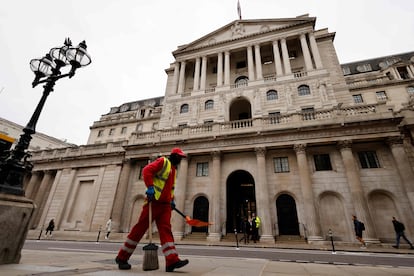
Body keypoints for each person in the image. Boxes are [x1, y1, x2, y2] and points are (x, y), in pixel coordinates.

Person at [115, 147, 189, 272]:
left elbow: (170, 188)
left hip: (165, 205)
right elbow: (146, 170)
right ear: (174, 156)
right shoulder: (163, 162)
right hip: (153, 201)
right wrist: (150, 187)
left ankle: (172, 260)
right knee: (139, 229)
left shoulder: (174, 170)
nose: (181, 160)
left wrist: (171, 200)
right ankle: (122, 257)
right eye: (179, 157)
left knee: (166, 230)